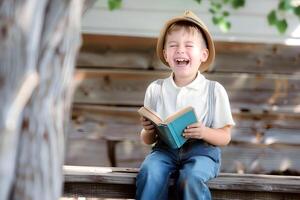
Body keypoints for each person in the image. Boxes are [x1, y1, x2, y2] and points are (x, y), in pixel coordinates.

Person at [136, 10, 235, 200]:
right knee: (150, 171)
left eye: (189, 45)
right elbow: (147, 139)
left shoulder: (214, 91)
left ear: (203, 55)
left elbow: (225, 137)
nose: (180, 50)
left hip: (202, 153)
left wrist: (204, 132)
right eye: (173, 45)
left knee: (192, 178)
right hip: (164, 151)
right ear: (166, 54)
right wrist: (148, 130)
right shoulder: (156, 89)